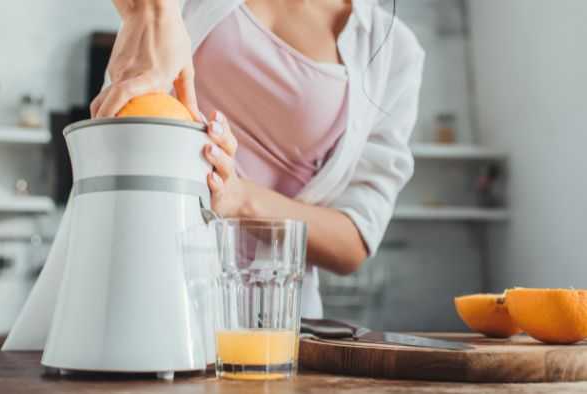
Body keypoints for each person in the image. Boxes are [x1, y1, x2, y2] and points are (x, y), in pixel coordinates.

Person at [90, 0, 424, 318]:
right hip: (147, 271)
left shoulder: (393, 49)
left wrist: (238, 198)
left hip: (269, 316)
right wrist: (152, 14)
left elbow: (353, 239)